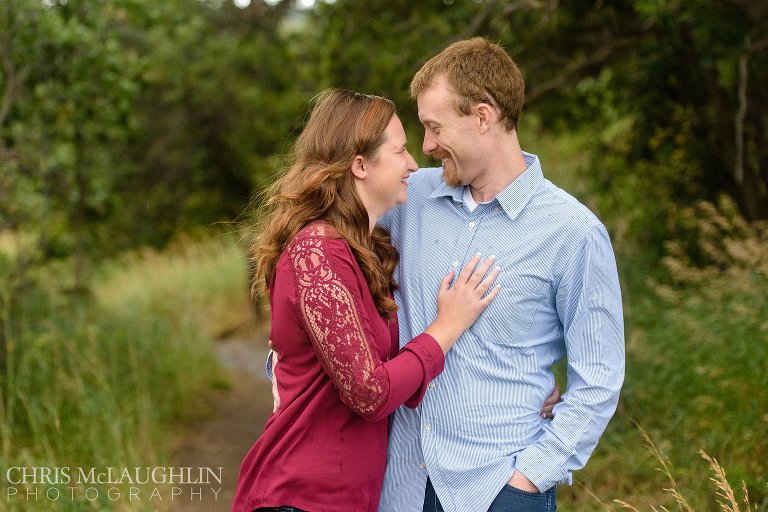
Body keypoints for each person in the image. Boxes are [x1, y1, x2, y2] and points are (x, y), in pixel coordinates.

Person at [377, 38, 626, 512]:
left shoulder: (572, 232)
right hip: (401, 484)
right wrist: (287, 360)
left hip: (498, 490)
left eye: (434, 127)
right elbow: (325, 243)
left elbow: (599, 377)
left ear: (483, 116)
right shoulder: (410, 201)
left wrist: (530, 478)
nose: (425, 146)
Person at [232, 88, 505, 512]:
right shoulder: (316, 252)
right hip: (300, 496)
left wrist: (520, 390)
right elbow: (370, 392)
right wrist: (448, 325)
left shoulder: (363, 251)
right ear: (360, 165)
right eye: (400, 151)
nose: (414, 164)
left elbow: (391, 372)